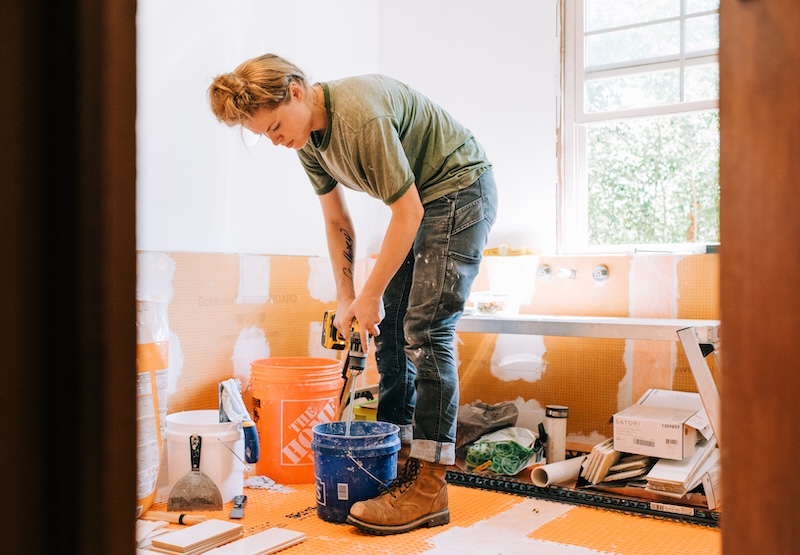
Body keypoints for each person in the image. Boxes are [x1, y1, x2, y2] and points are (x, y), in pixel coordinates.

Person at [208, 53, 498, 535]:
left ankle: (429, 484)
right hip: (422, 205)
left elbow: (406, 210)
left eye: (276, 126)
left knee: (426, 331)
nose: (277, 141)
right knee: (388, 336)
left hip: (459, 189)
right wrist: (348, 298)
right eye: (266, 136)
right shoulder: (307, 143)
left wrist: (371, 293)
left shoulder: (360, 117)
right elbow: (337, 220)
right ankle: (398, 462)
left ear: (297, 90)